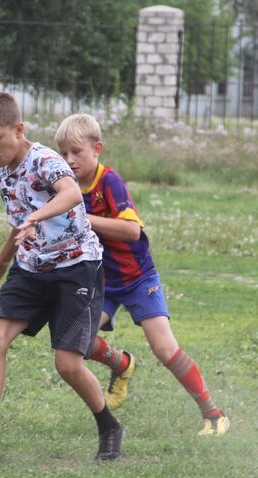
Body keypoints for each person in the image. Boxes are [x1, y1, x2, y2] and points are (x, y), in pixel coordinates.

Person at [0, 92, 124, 461]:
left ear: (19, 129)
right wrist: (3, 258)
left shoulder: (45, 160)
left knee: (67, 364)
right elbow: (19, 221)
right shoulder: (4, 176)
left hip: (76, 266)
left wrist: (36, 217)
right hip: (32, 268)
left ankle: (108, 425)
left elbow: (70, 196)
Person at [54, 113, 229, 436]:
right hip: (103, 282)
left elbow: (132, 231)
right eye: (63, 153)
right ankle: (121, 365)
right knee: (77, 340)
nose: (69, 160)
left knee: (164, 349)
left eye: (76, 152)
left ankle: (214, 413)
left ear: (97, 149)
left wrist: (84, 218)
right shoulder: (67, 187)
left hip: (137, 280)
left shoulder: (109, 181)